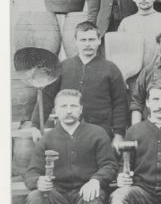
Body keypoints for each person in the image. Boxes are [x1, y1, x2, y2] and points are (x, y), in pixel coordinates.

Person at [24, 89, 118, 204]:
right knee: (35, 197)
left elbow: (110, 165)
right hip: (56, 193)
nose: (68, 110)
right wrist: (38, 181)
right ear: (56, 110)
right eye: (63, 106)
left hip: (85, 191)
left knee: (94, 197)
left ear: (81, 108)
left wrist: (96, 180)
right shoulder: (47, 139)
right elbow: (31, 172)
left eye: (73, 106)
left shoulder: (97, 133)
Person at [31, 21, 128, 151]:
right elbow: (46, 98)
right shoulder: (62, 67)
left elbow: (120, 103)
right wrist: (36, 126)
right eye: (83, 40)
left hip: (100, 132)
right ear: (76, 41)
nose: (87, 44)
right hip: (67, 131)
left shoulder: (110, 69)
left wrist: (118, 135)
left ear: (99, 40)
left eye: (92, 39)